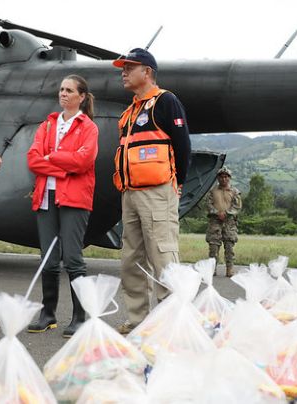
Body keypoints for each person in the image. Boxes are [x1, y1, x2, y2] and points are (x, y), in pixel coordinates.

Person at [111, 48, 191, 334]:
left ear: (147, 72)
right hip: (130, 193)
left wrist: (177, 183)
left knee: (163, 255)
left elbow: (182, 146)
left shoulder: (166, 101)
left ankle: (173, 322)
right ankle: (138, 320)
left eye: (129, 67)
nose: (123, 71)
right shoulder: (129, 111)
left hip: (158, 190)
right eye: (123, 67)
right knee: (131, 258)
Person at [26, 74, 98, 338]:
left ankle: (80, 316)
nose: (63, 94)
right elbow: (33, 160)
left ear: (81, 96)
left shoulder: (88, 127)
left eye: (69, 90)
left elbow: (83, 162)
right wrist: (64, 167)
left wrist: (52, 157)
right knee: (48, 259)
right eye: (61, 90)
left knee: (73, 258)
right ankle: (48, 314)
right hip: (46, 197)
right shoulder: (47, 125)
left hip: (74, 199)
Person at [205, 166, 242, 277]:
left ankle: (229, 269)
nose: (223, 179)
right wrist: (217, 212)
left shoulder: (235, 191)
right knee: (213, 247)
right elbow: (208, 204)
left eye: (226, 177)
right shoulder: (212, 191)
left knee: (229, 246)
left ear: (229, 178)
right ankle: (212, 269)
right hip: (215, 221)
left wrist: (227, 213)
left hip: (229, 222)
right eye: (221, 177)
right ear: (218, 178)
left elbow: (237, 206)